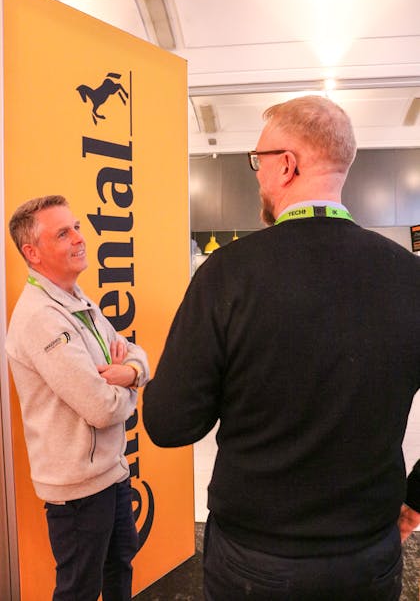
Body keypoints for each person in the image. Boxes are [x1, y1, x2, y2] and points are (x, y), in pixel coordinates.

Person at [142, 95, 420, 600]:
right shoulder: (410, 276)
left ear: (286, 165)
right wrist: (418, 497)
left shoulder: (228, 273)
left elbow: (169, 423)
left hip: (256, 558)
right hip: (369, 551)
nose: (257, 176)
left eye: (258, 160)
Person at [6, 195, 149, 601]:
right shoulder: (41, 317)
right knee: (79, 591)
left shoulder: (77, 300)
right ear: (33, 253)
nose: (79, 238)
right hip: (78, 491)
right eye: (63, 233)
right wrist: (130, 388)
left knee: (119, 569)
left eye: (77, 227)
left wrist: (130, 372)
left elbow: (135, 353)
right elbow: (101, 408)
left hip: (111, 473)